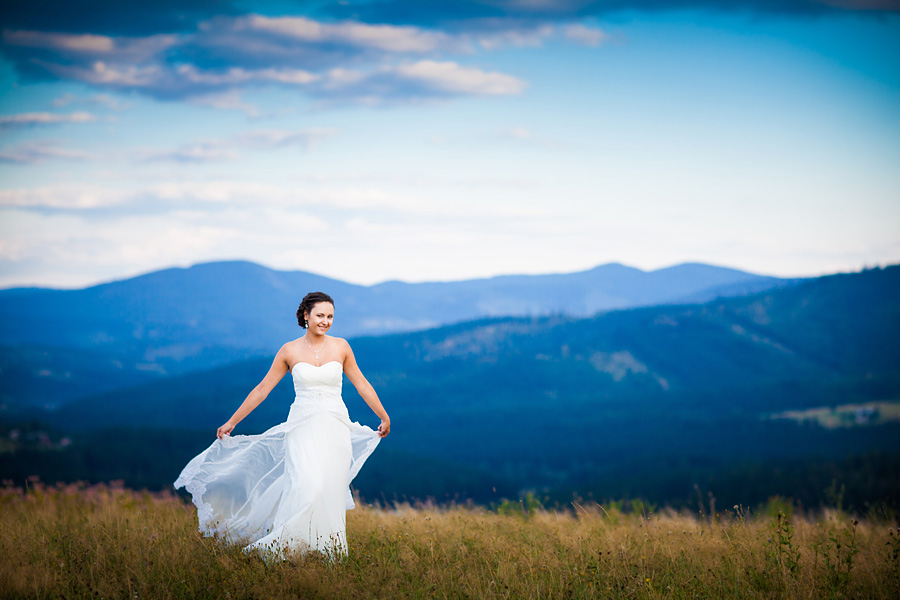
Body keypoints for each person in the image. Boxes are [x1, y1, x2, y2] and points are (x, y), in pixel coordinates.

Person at [174, 291, 390, 560]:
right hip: (302, 427)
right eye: (320, 315)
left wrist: (383, 415)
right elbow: (262, 390)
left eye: (330, 316)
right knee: (306, 486)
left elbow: (362, 384)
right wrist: (232, 421)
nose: (326, 321)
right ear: (305, 315)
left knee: (328, 489)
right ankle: (285, 549)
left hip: (335, 427)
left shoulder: (342, 347)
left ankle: (327, 553)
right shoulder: (289, 350)